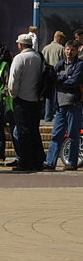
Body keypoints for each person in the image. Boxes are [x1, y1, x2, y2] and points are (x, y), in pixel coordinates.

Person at [7, 33, 44, 171]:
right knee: (34, 130)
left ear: (20, 45)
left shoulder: (19, 58)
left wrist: (13, 94)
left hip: (22, 98)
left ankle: (26, 161)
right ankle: (38, 160)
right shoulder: (38, 57)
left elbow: (13, 80)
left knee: (23, 132)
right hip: (35, 99)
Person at [43, 41, 82, 171]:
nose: (69, 52)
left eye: (72, 50)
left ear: (76, 51)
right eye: (67, 49)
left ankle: (71, 162)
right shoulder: (59, 64)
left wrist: (61, 78)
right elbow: (52, 79)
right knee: (56, 134)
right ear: (64, 50)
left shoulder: (79, 65)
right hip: (59, 105)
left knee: (73, 135)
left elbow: (74, 81)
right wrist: (64, 76)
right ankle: (50, 162)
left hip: (73, 104)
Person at [41, 31, 66, 121]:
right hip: (56, 75)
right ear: (59, 38)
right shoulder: (61, 49)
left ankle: (47, 116)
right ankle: (56, 115)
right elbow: (64, 63)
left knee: (48, 96)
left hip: (47, 75)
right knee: (57, 96)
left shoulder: (45, 48)